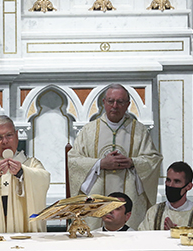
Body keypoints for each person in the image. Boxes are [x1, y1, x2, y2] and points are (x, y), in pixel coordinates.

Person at [67, 84, 162, 230]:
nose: (115, 106)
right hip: (96, 197)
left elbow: (153, 159)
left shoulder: (140, 131)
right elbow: (73, 160)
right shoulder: (89, 130)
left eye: (120, 102)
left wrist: (133, 162)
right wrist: (100, 164)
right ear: (104, 102)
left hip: (130, 196)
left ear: (128, 105)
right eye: (111, 101)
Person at [138, 161, 193, 231]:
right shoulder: (153, 213)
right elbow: (142, 239)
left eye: (177, 181)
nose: (170, 185)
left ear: (189, 186)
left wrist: (176, 233)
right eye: (168, 180)